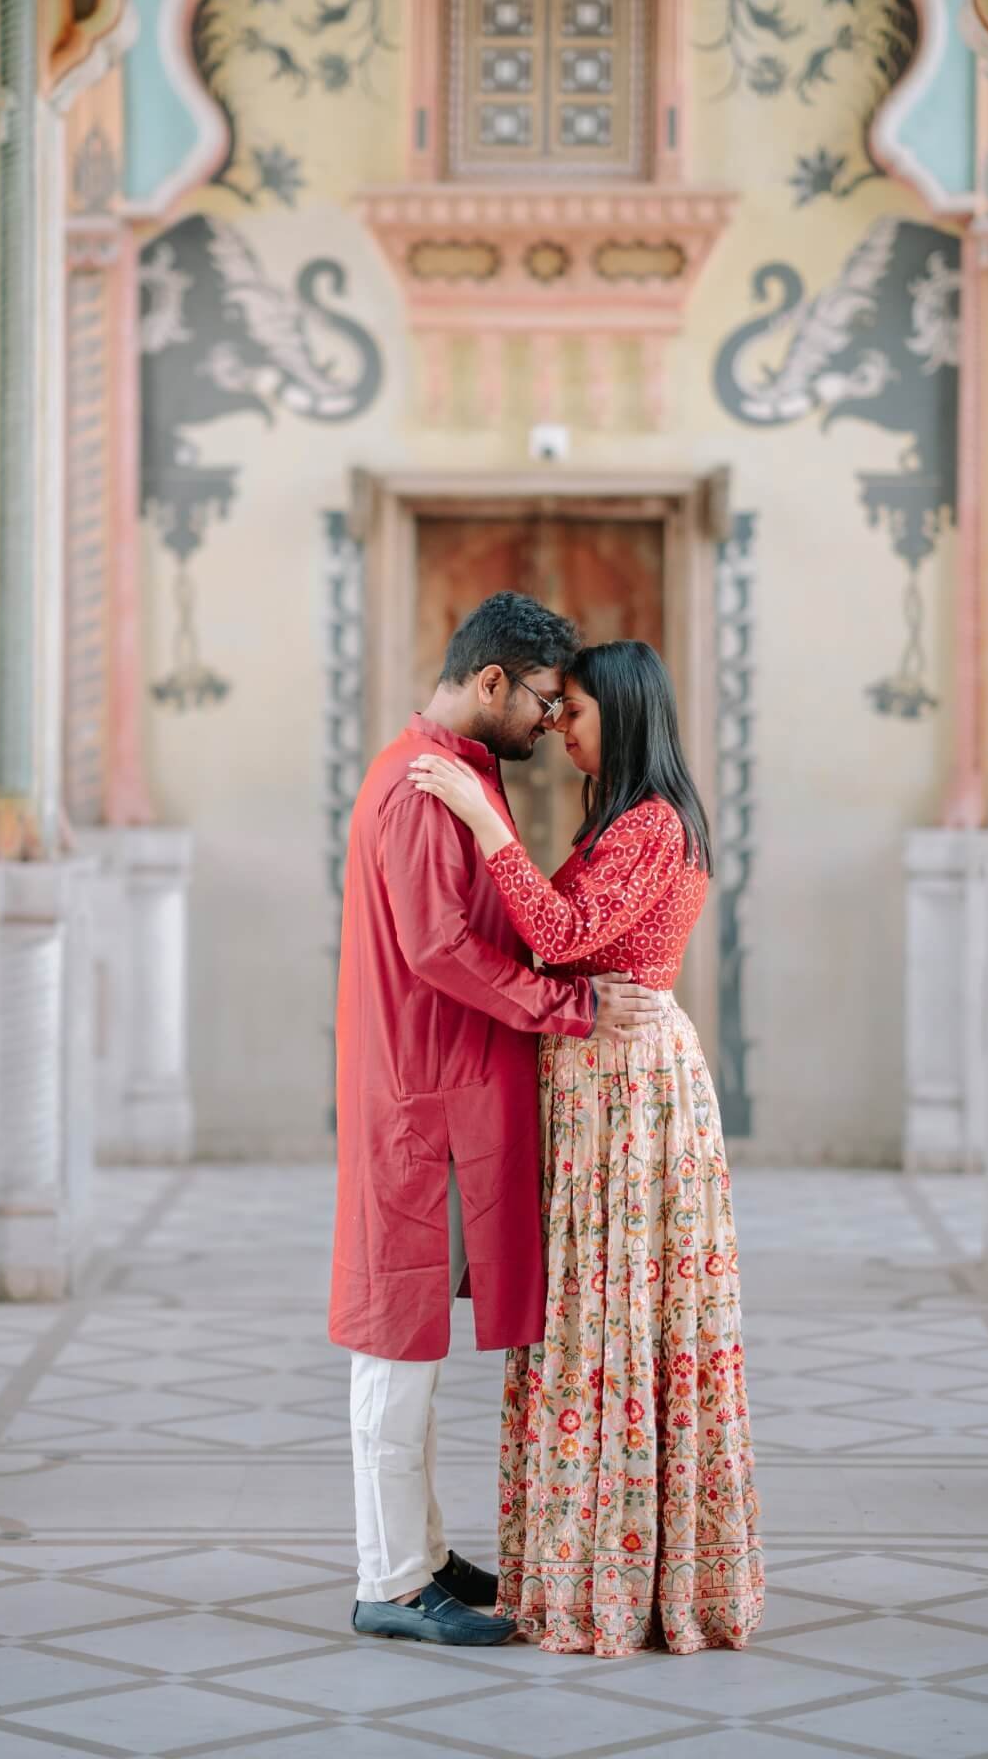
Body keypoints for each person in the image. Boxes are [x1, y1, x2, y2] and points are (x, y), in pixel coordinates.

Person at [409, 638, 764, 1658]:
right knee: (586, 1319)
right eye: (554, 708)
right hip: (595, 1093)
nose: (560, 725)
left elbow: (563, 935)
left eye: (576, 709)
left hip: (632, 1092)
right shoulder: (619, 818)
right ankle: (583, 1571)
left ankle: (625, 1583)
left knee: (620, 1321)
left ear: (624, 710)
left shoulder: (652, 822)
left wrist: (482, 821)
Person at [330, 593, 663, 1648]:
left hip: (452, 1094)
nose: (548, 724)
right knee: (395, 1347)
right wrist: (571, 1006)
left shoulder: (464, 777)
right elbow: (436, 948)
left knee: (413, 1347)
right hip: (419, 1103)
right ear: (491, 681)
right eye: (542, 699)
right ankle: (388, 1580)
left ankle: (421, 1553)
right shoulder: (422, 785)